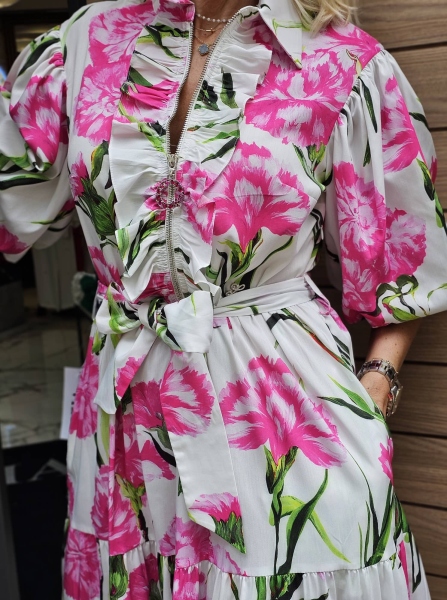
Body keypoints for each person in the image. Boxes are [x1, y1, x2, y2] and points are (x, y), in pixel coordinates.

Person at [1, 0, 446, 597]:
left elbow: (403, 261)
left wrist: (376, 384)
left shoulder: (341, 61)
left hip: (284, 422)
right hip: (127, 415)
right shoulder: (87, 40)